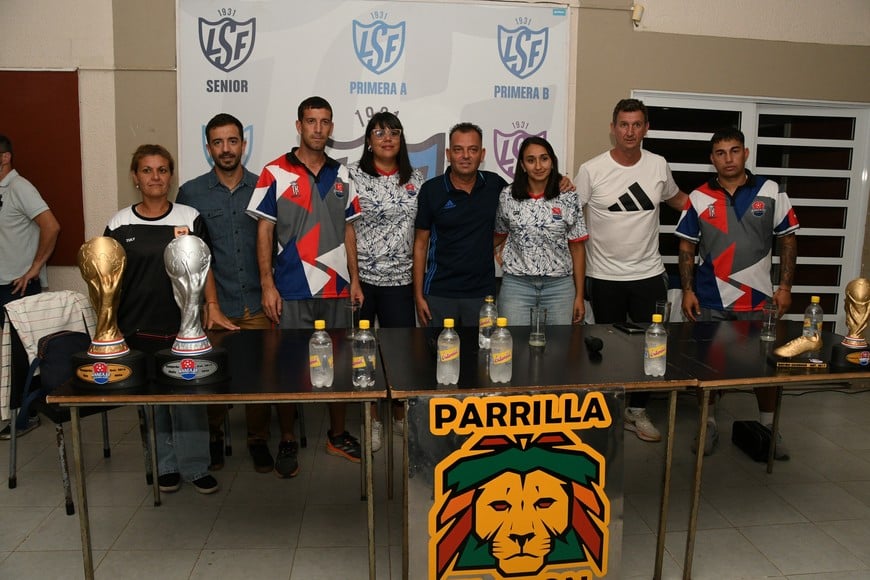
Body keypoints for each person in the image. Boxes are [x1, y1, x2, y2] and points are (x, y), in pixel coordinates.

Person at [248, 96, 364, 473]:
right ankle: (286, 439)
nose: (318, 128)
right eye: (311, 121)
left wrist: (356, 281)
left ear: (332, 128)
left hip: (336, 289)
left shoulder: (343, 174)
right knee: (288, 368)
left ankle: (337, 435)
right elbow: (264, 232)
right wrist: (267, 284)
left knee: (339, 365)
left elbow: (348, 230)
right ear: (298, 125)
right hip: (291, 289)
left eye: (325, 121)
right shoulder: (274, 171)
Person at [177, 113, 291, 476]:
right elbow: (188, 252)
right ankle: (212, 436)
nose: (226, 149)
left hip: (258, 301)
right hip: (214, 305)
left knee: (259, 377)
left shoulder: (264, 186)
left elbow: (277, 244)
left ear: (244, 144)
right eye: (218, 142)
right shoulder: (191, 193)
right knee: (212, 376)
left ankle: (257, 440)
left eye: (232, 141)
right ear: (208, 147)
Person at [676, 127, 799, 457]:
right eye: (720, 153)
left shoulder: (770, 190)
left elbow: (787, 239)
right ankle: (708, 426)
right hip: (710, 299)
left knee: (765, 369)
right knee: (708, 367)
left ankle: (769, 429)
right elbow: (687, 246)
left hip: (759, 300)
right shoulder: (699, 196)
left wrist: (785, 287)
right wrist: (687, 290)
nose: (727, 158)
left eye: (734, 150)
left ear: (745, 153)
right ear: (712, 159)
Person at [105, 144, 218, 494]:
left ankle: (196, 467)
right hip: (136, 325)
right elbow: (108, 278)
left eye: (163, 170)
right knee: (154, 400)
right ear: (135, 177)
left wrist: (212, 305)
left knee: (188, 395)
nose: (156, 177)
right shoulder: (119, 223)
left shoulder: (189, 216)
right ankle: (165, 465)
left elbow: (205, 266)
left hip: (184, 326)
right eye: (147, 170)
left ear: (171, 176)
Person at [574, 98, 688, 443]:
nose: (630, 131)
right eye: (624, 124)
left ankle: (637, 410)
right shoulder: (591, 169)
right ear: (613, 128)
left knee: (650, 349)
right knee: (607, 348)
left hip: (649, 274)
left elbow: (678, 200)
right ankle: (610, 412)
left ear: (646, 128)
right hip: (604, 276)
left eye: (637, 124)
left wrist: (718, 208)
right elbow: (569, 214)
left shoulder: (658, 165)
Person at [348, 111, 424, 449]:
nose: (387, 137)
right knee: (363, 355)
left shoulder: (417, 180)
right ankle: (371, 421)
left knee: (399, 355)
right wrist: (353, 278)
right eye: (379, 132)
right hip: (362, 280)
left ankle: (398, 417)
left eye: (394, 131)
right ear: (368, 141)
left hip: (400, 282)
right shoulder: (351, 177)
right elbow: (346, 229)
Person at [0, 134, 61, 439]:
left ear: (5, 157)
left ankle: (27, 417)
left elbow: (51, 226)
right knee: (5, 358)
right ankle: (10, 414)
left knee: (21, 358)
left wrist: (34, 269)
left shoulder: (20, 187)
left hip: (16, 287)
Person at [494, 136, 588, 325]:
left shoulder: (568, 196)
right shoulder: (507, 196)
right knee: (514, 348)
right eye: (531, 160)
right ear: (522, 165)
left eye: (544, 158)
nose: (538, 166)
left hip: (559, 288)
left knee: (558, 351)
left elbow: (577, 248)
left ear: (552, 161)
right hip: (517, 286)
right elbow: (498, 236)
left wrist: (579, 295)